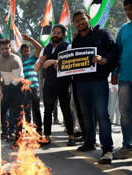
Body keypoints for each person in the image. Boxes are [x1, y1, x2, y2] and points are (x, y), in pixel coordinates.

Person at [72, 9, 118, 164]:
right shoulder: (76, 41)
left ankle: (107, 150)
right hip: (81, 82)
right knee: (86, 114)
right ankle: (89, 142)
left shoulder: (102, 34)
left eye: (82, 19)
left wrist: (104, 60)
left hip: (98, 81)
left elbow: (114, 51)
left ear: (89, 18)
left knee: (102, 114)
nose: (80, 23)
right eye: (77, 21)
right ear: (74, 24)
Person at [34, 24, 75, 147]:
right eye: (54, 32)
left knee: (66, 109)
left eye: (58, 33)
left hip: (63, 83)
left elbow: (71, 62)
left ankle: (71, 136)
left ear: (63, 35)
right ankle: (46, 137)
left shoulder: (68, 46)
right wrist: (42, 62)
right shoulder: (45, 48)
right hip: (49, 84)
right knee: (48, 111)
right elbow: (36, 68)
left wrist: (52, 61)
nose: (55, 35)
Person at [0, 39, 25, 146]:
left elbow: (16, 80)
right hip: (6, 86)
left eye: (7, 48)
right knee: (1, 111)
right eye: (2, 49)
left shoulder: (16, 60)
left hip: (17, 88)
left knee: (17, 114)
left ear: (10, 47)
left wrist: (4, 91)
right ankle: (6, 133)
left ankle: (19, 138)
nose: (5, 50)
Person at [112, 0, 132, 159]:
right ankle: (127, 147)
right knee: (125, 113)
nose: (128, 12)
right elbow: (117, 53)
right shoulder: (124, 29)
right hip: (125, 79)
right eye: (126, 9)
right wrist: (115, 72)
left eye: (131, 9)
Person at [20, 34, 43, 135]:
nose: (26, 53)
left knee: (36, 110)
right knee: (27, 111)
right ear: (21, 52)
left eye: (28, 51)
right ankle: (29, 131)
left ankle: (39, 131)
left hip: (34, 88)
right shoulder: (19, 62)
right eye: (24, 51)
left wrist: (30, 39)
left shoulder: (33, 59)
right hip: (24, 89)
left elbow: (40, 48)